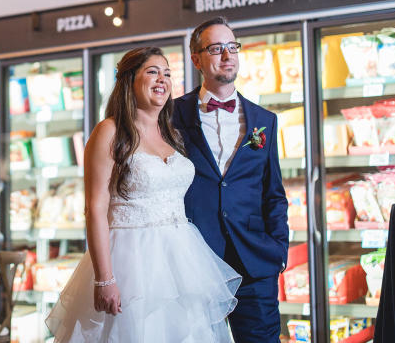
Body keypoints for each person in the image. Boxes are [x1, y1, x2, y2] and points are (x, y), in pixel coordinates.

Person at [46, 46, 241, 342]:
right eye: (152, 72)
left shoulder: (171, 134)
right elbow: (95, 209)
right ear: (128, 80)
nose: (162, 79)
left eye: (167, 73)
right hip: (130, 261)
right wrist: (105, 279)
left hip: (180, 261)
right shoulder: (109, 132)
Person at [172, 17, 289, 343]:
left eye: (232, 47)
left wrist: (278, 249)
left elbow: (274, 193)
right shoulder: (171, 116)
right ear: (196, 59)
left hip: (254, 262)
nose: (227, 56)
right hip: (195, 260)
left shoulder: (264, 120)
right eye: (216, 48)